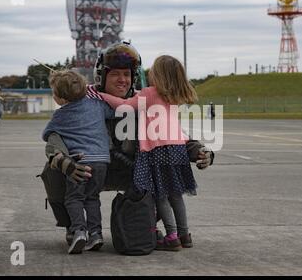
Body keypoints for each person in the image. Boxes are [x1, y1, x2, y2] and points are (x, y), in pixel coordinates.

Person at [43, 42, 214, 246]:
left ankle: (147, 223)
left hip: (133, 171)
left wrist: (200, 151)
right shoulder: (84, 99)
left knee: (161, 175)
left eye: (127, 74)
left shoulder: (144, 100)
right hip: (90, 168)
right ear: (102, 75)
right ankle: (75, 227)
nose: (122, 79)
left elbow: (174, 136)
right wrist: (61, 159)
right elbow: (56, 133)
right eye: (115, 74)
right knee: (54, 171)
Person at [99, 55, 198, 251]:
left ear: (158, 75)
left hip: (158, 151)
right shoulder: (173, 96)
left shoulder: (150, 93)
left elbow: (124, 106)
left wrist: (100, 95)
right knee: (176, 195)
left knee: (160, 196)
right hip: (177, 149)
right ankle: (184, 234)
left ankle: (171, 237)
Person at [42, 70, 114, 254]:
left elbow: (46, 135)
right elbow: (112, 112)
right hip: (102, 161)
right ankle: (96, 234)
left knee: (74, 198)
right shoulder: (96, 105)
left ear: (62, 98)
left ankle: (79, 231)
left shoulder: (60, 116)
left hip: (79, 162)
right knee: (92, 198)